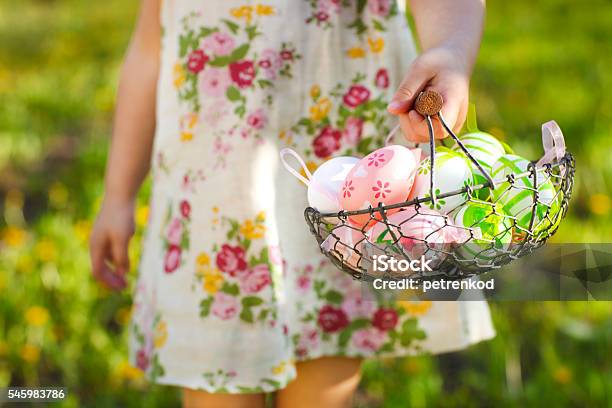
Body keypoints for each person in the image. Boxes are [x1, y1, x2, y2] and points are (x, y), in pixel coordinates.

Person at [90, 0, 494, 406]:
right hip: (216, 194)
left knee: (324, 363)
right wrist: (118, 194)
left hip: (344, 184)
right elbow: (150, 47)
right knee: (217, 383)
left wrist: (450, 52)